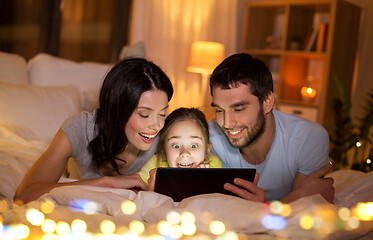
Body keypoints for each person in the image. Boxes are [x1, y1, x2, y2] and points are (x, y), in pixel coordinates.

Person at [14, 57, 174, 204]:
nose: (157, 125)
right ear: (117, 110)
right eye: (144, 115)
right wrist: (106, 183)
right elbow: (23, 196)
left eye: (162, 114)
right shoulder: (79, 129)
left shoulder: (166, 139)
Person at [208, 53, 334, 203]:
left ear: (267, 102)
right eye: (220, 110)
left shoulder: (309, 138)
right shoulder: (209, 137)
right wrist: (296, 197)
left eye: (239, 109)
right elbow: (298, 202)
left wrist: (265, 208)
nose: (226, 123)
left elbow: (300, 214)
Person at [139, 107, 222, 189]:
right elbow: (137, 191)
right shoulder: (155, 166)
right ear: (163, 151)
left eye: (193, 146)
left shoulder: (213, 167)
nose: (185, 153)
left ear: (206, 151)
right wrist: (151, 190)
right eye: (176, 146)